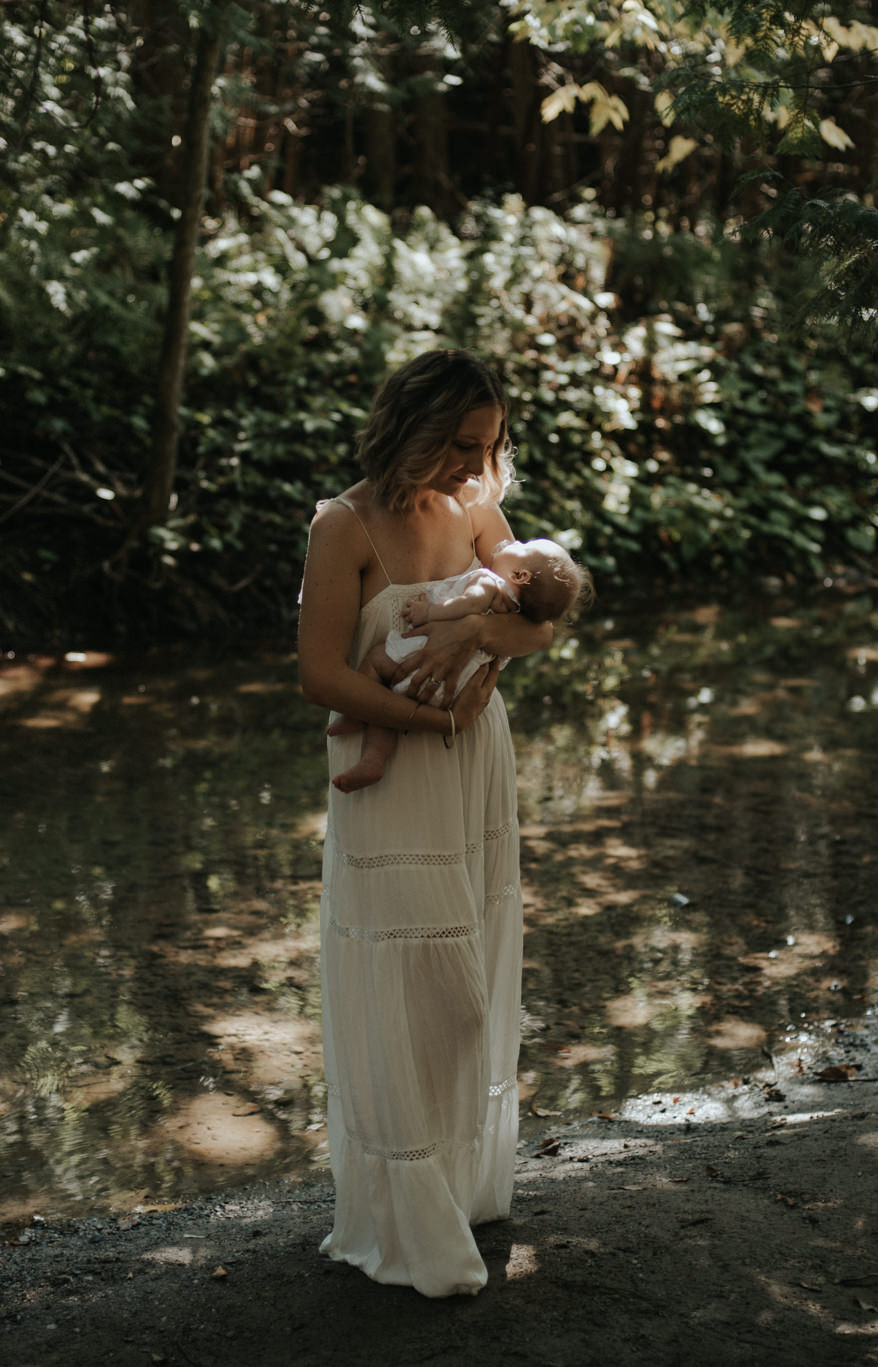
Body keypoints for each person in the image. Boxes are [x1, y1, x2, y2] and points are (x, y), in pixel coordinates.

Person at [296, 349, 558, 1297]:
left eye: (488, 446)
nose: (473, 465)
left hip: (475, 758)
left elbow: (544, 621)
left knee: (470, 974)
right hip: (393, 768)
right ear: (408, 424)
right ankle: (402, 1210)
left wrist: (480, 632)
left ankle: (458, 1179)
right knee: (407, 974)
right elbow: (320, 675)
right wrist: (428, 717)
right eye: (458, 444)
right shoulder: (344, 525)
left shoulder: (475, 510)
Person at [327, 536, 587, 794]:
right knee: (392, 696)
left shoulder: (488, 582)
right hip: (459, 689)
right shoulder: (516, 612)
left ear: (519, 575)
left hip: (423, 663)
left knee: (376, 664)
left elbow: (467, 604)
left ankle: (361, 723)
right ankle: (373, 760)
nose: (514, 541)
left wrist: (427, 612)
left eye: (524, 545)